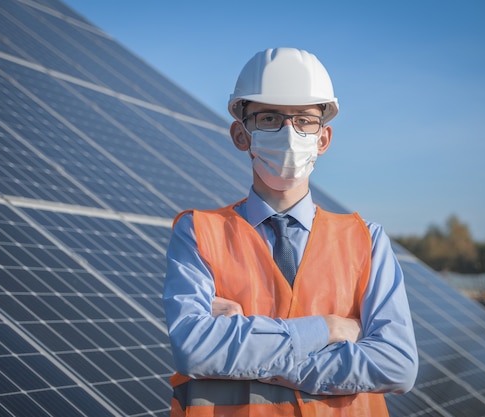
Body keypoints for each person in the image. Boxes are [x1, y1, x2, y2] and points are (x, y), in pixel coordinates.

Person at [163, 47, 418, 416]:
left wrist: (250, 352)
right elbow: (194, 349)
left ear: (323, 139)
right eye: (269, 118)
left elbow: (397, 364)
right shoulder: (198, 232)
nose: (288, 132)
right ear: (241, 135)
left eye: (304, 121)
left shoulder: (367, 240)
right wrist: (327, 330)